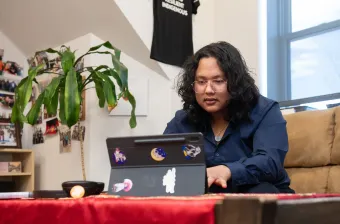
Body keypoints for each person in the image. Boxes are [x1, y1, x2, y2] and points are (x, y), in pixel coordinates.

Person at [163, 41, 295, 194]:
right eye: (201, 82)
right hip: (204, 198)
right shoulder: (183, 120)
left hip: (259, 194)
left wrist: (228, 170)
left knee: (261, 192)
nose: (208, 90)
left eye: (218, 81)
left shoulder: (265, 111)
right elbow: (162, 160)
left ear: (235, 82)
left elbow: (270, 162)